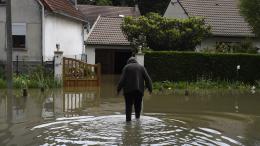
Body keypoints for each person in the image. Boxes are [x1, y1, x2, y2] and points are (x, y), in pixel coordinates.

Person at [117, 57, 152, 122]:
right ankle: (137, 119)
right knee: (138, 106)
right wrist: (150, 89)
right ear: (136, 61)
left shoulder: (126, 67)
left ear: (128, 62)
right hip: (139, 91)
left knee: (128, 107)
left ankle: (128, 122)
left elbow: (122, 80)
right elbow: (148, 79)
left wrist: (118, 89)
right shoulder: (141, 67)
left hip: (128, 91)